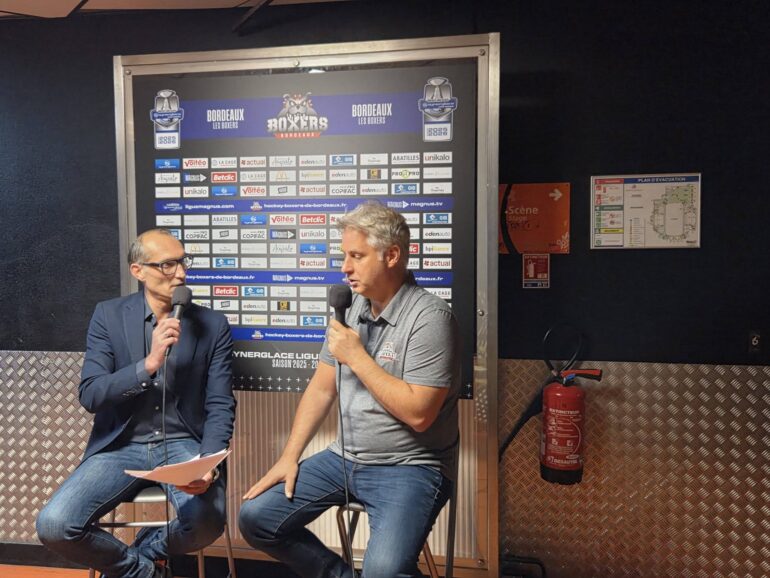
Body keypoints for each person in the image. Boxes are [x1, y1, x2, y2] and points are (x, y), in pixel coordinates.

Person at [238, 201, 461, 578]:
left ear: (392, 256)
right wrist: (289, 457)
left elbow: (419, 415)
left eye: (356, 256)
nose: (345, 267)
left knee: (384, 571)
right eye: (344, 255)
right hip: (343, 460)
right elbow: (322, 389)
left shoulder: (431, 318)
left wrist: (357, 357)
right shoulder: (351, 309)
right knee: (256, 518)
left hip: (411, 466)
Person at [36, 228, 236, 578]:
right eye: (167, 265)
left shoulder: (212, 324)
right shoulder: (108, 316)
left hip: (184, 445)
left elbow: (220, 403)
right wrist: (148, 364)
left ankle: (145, 554)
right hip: (121, 446)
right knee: (55, 525)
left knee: (206, 524)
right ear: (138, 270)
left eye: (183, 262)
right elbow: (92, 394)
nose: (181, 273)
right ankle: (148, 573)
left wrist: (209, 463)